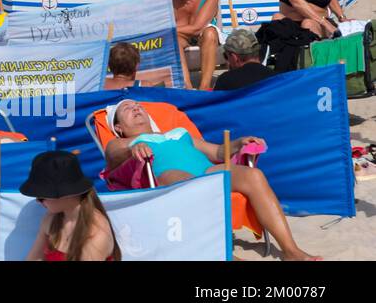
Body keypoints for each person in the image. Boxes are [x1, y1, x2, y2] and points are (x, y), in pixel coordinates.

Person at [105, 99, 318, 260]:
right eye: (127, 109)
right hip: (171, 179)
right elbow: (113, 156)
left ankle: (291, 250)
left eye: (138, 106)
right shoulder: (122, 143)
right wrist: (132, 149)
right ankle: (219, 251)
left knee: (254, 175)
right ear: (119, 128)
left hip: (206, 171)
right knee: (193, 187)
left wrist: (239, 143)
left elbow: (217, 151)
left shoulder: (178, 133)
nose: (135, 108)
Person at [22, 151, 120, 261]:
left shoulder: (96, 234)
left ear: (67, 194)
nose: (38, 201)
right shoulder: (52, 219)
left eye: (41, 197)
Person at [168, 0, 221, 91]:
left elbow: (197, 28)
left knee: (210, 33)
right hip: (182, 37)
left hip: (201, 35)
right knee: (173, 39)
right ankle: (187, 87)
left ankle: (204, 87)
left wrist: (168, 30)